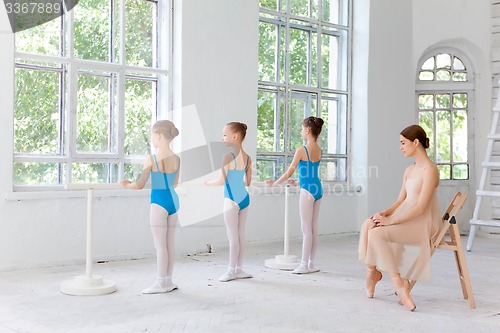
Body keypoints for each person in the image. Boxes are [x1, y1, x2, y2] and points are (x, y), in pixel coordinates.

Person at [358, 124, 441, 311]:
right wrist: (384, 214)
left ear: (416, 142)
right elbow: (400, 200)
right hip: (404, 216)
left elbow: (420, 207)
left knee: (377, 235)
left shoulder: (430, 170)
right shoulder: (409, 170)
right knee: (368, 224)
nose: (401, 147)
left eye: (403, 143)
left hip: (421, 223)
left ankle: (399, 284)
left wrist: (391, 221)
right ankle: (372, 272)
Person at [121, 120, 180, 294]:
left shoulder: (152, 159)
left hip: (159, 203)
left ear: (158, 135)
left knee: (160, 245)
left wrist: (126, 185)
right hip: (174, 202)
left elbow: (139, 185)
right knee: (170, 243)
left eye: (152, 135)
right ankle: (168, 280)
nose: (151, 139)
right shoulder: (177, 158)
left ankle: (161, 283)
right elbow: (175, 183)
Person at [266, 116, 324, 274]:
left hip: (307, 191)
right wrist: (298, 182)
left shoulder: (301, 150)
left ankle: (304, 265)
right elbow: (311, 172)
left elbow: (289, 171)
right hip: (317, 188)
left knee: (306, 229)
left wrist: (275, 183)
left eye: (301, 129)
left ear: (307, 130)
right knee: (313, 228)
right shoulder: (319, 150)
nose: (301, 132)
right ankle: (311, 263)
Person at [205, 122, 253, 282]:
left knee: (233, 237)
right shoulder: (247, 158)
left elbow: (220, 181)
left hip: (231, 199)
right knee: (241, 235)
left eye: (225, 134)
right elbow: (247, 182)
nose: (222, 137)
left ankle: (231, 270)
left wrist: (207, 183)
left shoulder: (227, 157)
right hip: (244, 199)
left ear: (235, 136)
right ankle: (239, 269)